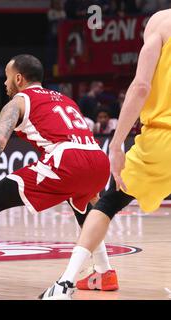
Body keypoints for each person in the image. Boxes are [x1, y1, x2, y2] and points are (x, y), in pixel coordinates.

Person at [0, 54, 111, 299]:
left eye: (7, 77)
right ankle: (104, 272)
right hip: (98, 158)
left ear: (18, 78)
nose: (5, 83)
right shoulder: (66, 99)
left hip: (68, 159)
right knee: (84, 206)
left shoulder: (18, 102)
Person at [41, 9, 171, 299]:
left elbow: (140, 87)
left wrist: (116, 144)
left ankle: (65, 283)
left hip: (165, 137)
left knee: (109, 202)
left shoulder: (160, 22)